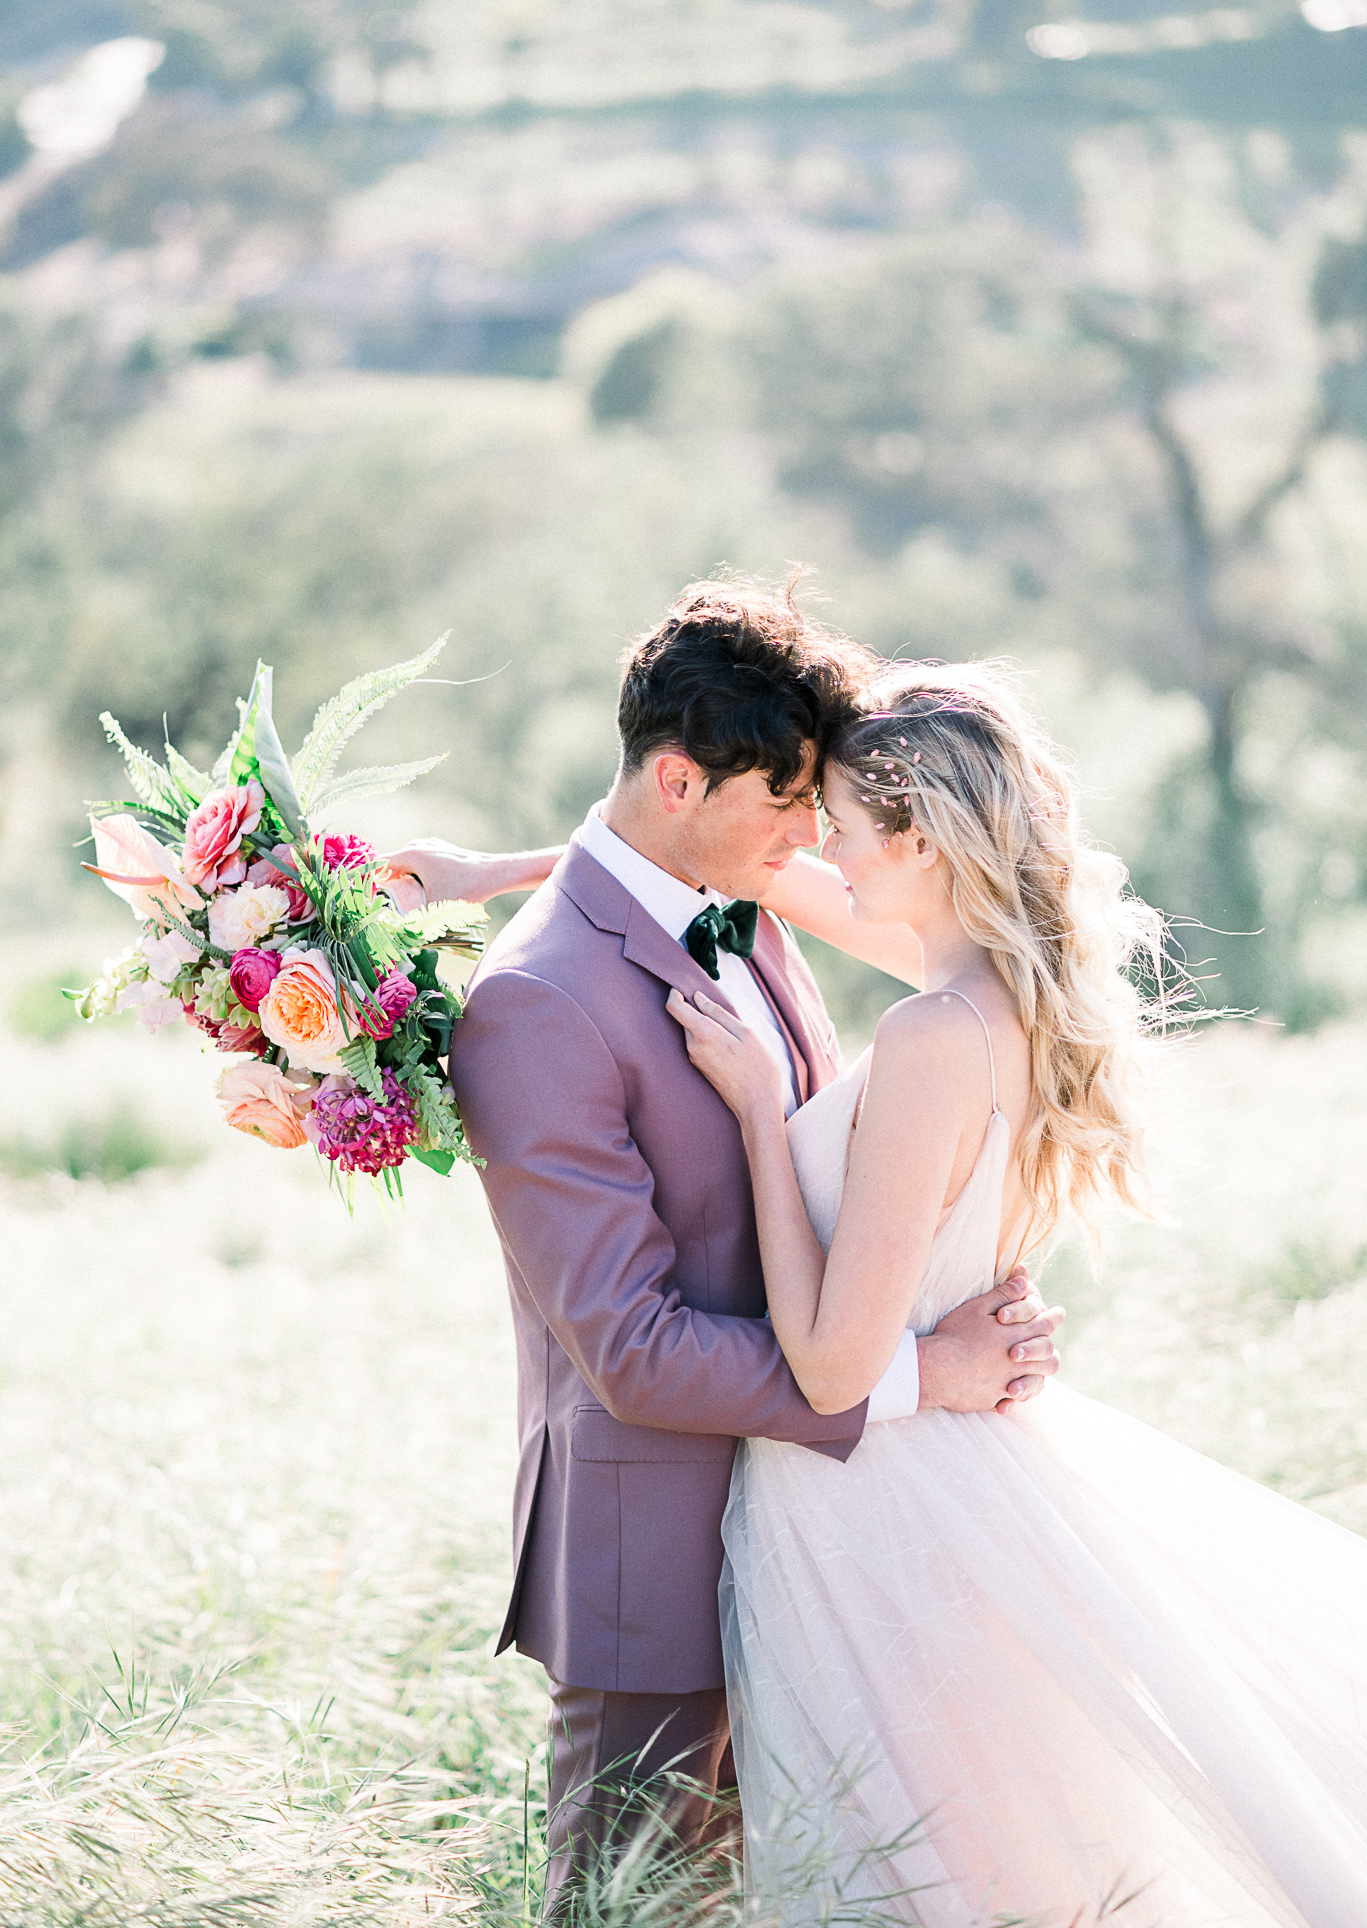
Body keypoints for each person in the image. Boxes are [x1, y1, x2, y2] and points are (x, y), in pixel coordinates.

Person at [385, 583, 1065, 1914]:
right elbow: (631, 1352)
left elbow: (631, 864)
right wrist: (924, 1373)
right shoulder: (532, 1009)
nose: (814, 838)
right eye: (789, 802)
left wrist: (495, 863)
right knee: (634, 1906)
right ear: (684, 781)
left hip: (829, 1539)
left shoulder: (731, 895)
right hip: (663, 1563)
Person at [667, 658, 1367, 1927]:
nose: (814, 841)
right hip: (947, 1474)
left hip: (874, 1508)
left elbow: (829, 1366)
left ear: (919, 837)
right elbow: (756, 869)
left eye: (839, 823)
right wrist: (489, 875)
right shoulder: (999, 984)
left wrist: (765, 1123)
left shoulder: (936, 1035)